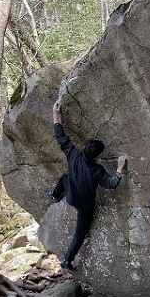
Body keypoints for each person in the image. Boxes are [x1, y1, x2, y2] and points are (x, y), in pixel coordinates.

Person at [44, 101, 127, 271]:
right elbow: (111, 184)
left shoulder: (73, 155)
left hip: (71, 196)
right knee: (80, 233)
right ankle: (67, 260)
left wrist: (55, 115)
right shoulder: (98, 170)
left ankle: (54, 194)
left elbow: (61, 137)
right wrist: (119, 167)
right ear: (97, 156)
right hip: (84, 205)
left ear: (83, 148)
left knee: (65, 177)